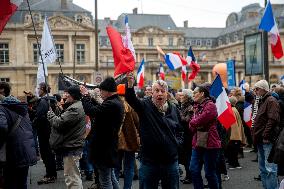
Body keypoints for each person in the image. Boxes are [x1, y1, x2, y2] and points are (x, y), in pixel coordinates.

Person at [126, 73, 183, 189]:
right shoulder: (144, 106)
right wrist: (130, 84)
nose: (160, 93)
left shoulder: (174, 109)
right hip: (149, 161)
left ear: (167, 94)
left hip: (170, 161)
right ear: (152, 93)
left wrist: (177, 143)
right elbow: (131, 99)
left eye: (162, 91)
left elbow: (180, 130)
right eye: (157, 91)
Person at [80, 77, 124, 189]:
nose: (100, 93)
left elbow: (92, 111)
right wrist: (89, 97)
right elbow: (98, 109)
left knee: (105, 181)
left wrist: (85, 95)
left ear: (107, 91)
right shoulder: (115, 101)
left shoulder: (111, 104)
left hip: (104, 148)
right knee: (111, 177)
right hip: (107, 147)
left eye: (101, 90)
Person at [47, 85, 86, 189]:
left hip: (72, 147)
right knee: (73, 176)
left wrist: (50, 115)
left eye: (67, 94)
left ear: (72, 95)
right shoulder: (76, 105)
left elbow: (59, 123)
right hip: (73, 145)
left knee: (72, 179)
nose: (65, 96)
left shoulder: (75, 108)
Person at [0, 92, 37, 189]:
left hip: (12, 151)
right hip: (26, 150)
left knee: (11, 182)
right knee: (22, 182)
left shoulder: (2, 109)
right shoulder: (22, 109)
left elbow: (2, 128)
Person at [189, 84, 221, 189]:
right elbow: (192, 126)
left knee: (209, 173)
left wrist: (194, 122)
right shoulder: (195, 107)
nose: (193, 95)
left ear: (202, 94)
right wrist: (195, 123)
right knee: (193, 169)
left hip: (210, 143)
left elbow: (200, 120)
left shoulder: (210, 105)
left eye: (195, 93)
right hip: (197, 141)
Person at [253, 80, 280, 189]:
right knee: (263, 168)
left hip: (267, 139)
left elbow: (272, 119)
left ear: (264, 89)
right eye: (255, 89)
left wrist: (265, 135)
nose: (255, 91)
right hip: (261, 139)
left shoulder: (271, 100)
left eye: (257, 89)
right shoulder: (261, 100)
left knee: (270, 169)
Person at [115, 84, 140, 189]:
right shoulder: (132, 104)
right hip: (130, 139)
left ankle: (115, 187)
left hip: (116, 140)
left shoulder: (114, 104)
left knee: (116, 167)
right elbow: (138, 122)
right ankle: (127, 187)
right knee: (129, 166)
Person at [33, 82, 57, 184]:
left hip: (44, 131)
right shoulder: (49, 100)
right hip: (48, 130)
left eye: (38, 88)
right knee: (49, 154)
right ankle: (51, 174)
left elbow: (40, 116)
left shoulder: (43, 101)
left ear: (43, 89)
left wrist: (34, 122)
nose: (37, 90)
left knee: (46, 154)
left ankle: (50, 175)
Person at [179, 89, 194, 184]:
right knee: (185, 157)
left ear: (187, 97)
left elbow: (187, 120)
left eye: (182, 95)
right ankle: (188, 175)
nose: (180, 97)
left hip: (189, 135)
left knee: (188, 157)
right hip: (184, 134)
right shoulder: (184, 106)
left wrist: (178, 113)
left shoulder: (191, 107)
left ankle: (190, 176)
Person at [227, 96, 247, 169]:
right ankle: (235, 163)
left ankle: (232, 163)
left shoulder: (231, 110)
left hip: (233, 134)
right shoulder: (234, 109)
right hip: (236, 134)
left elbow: (232, 124)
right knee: (234, 150)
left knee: (231, 150)